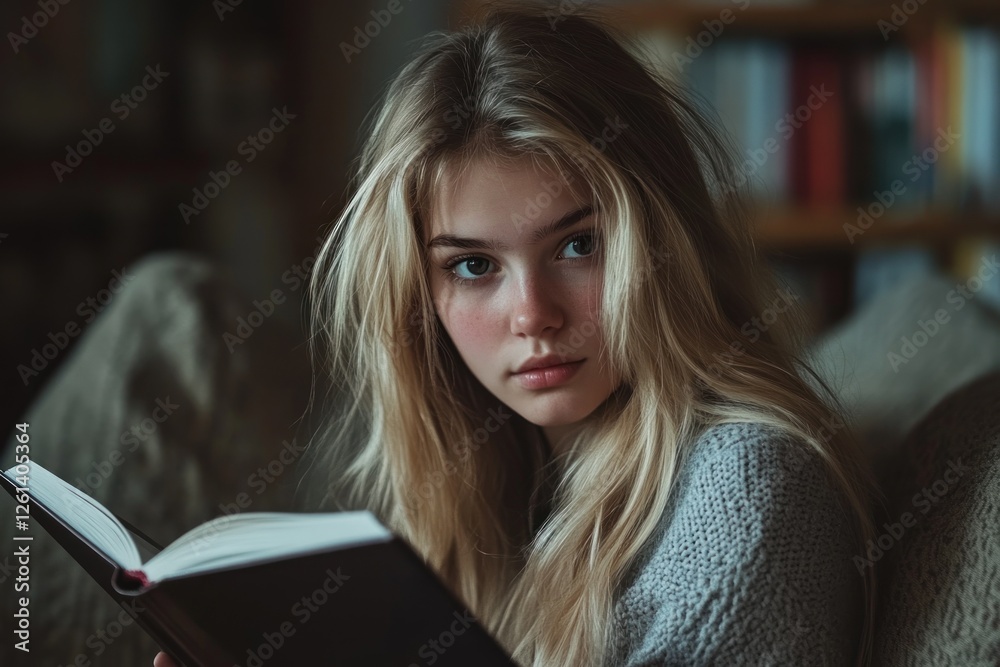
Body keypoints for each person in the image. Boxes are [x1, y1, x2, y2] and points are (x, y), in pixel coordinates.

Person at [156, 2, 881, 665]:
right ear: (420, 295)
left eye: (577, 246)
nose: (532, 314)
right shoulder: (493, 494)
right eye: (473, 264)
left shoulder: (747, 483)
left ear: (664, 242)